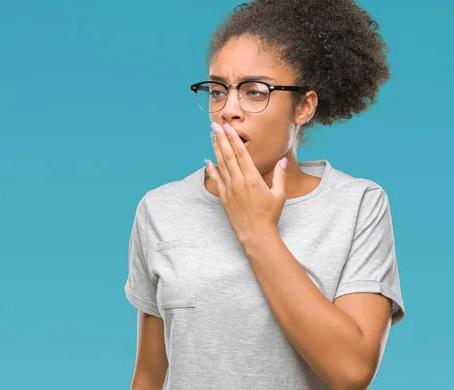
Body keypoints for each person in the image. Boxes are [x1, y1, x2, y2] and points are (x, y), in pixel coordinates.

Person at [123, 1, 405, 389]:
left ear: (303, 106)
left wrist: (257, 229)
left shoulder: (358, 205)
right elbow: (150, 374)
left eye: (256, 92)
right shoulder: (160, 209)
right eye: (218, 90)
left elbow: (351, 371)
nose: (229, 110)